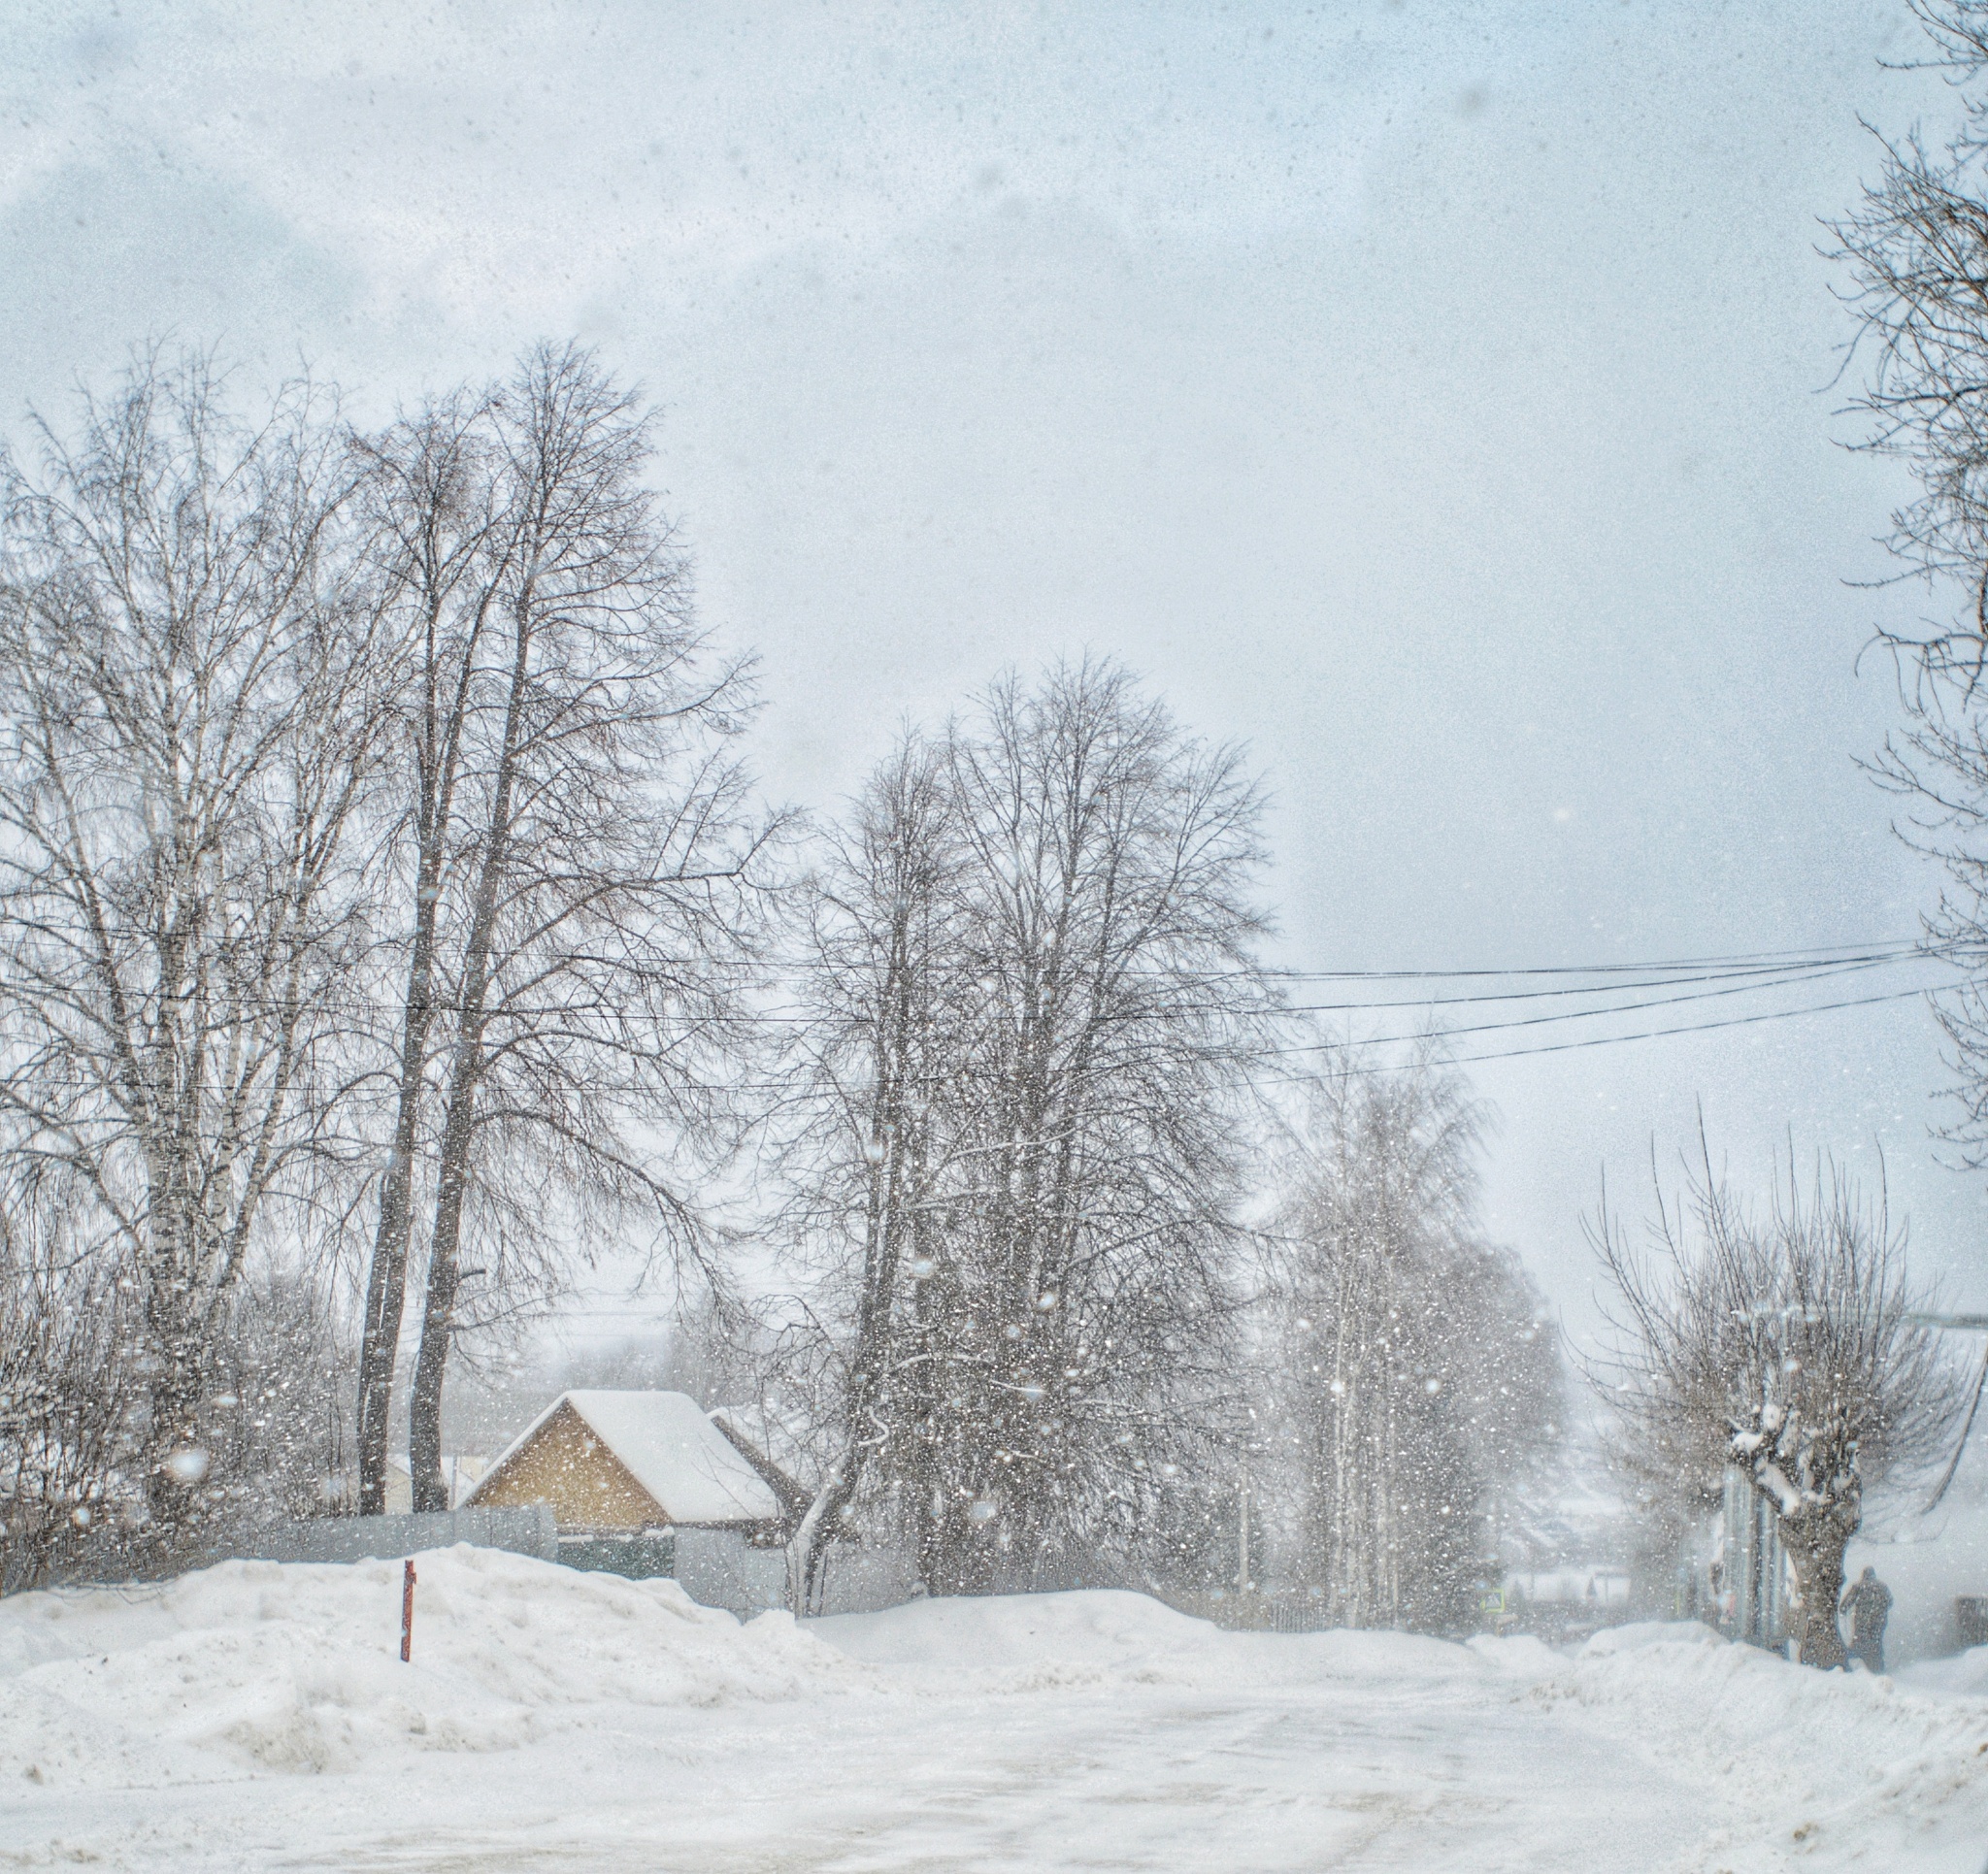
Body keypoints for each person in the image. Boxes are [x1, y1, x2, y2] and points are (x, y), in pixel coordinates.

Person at [1839, 1566, 1893, 1673]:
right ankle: (1878, 1668)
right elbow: (1890, 1602)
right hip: (1879, 1621)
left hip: (1862, 1621)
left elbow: (1846, 1604)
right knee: (1876, 1643)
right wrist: (1879, 1610)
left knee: (1860, 1642)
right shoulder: (1882, 1586)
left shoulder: (1859, 1586)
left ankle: (1857, 1667)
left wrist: (1843, 1609)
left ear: (1864, 1575)